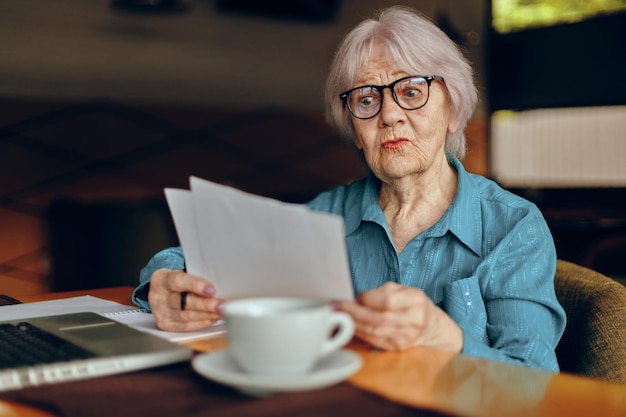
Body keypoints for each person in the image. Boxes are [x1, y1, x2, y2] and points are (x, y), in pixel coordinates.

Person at [132, 5, 566, 371]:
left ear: (452, 109)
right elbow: (202, 258)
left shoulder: (513, 227)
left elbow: (534, 384)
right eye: (366, 99)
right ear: (356, 132)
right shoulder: (328, 215)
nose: (389, 115)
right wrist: (163, 283)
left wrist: (444, 338)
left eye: (411, 91)